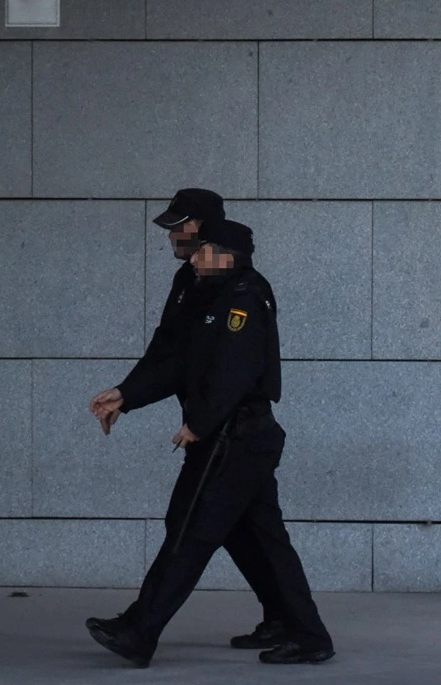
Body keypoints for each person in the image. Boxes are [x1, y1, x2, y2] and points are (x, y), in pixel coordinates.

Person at [85, 218, 334, 667]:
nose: (195, 257)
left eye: (204, 251)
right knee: (261, 541)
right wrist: (127, 395)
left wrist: (198, 424)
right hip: (240, 440)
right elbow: (179, 362)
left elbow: (234, 370)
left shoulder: (243, 296)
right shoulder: (212, 296)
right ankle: (303, 631)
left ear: (228, 254)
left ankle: (140, 632)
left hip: (232, 440)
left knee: (189, 533)